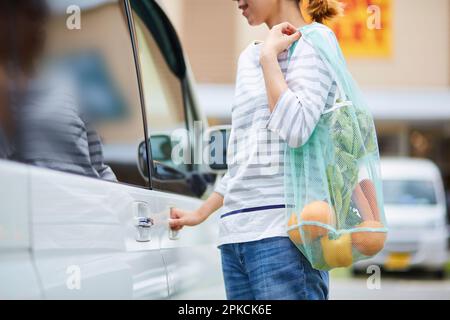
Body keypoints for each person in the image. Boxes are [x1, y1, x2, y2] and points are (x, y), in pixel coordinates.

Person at [170, 0, 343, 300]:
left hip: (285, 238)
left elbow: (296, 129)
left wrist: (269, 58)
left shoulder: (316, 41)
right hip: (235, 237)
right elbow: (243, 157)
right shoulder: (248, 56)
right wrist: (200, 213)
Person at [0, 0, 116, 181]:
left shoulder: (67, 86)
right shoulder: (6, 94)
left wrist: (127, 206)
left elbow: (100, 168)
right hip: (42, 203)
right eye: (26, 16)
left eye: (37, 18)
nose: (36, 27)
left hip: (97, 202)